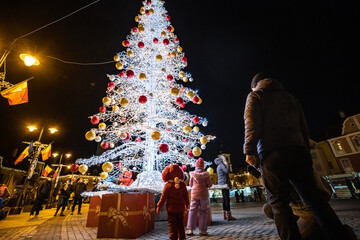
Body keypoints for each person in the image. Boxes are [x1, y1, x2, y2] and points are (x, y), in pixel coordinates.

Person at [243, 73, 355, 240]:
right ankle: (340, 236)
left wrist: (249, 150)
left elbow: (252, 125)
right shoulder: (290, 97)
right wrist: (304, 150)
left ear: (256, 86)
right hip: (298, 150)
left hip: (272, 152)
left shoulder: (256, 95)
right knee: (314, 200)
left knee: (279, 204)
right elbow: (304, 128)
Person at [157, 164, 189, 240]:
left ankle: (173, 237)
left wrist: (159, 206)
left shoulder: (167, 186)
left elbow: (163, 198)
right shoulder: (182, 185)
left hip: (171, 208)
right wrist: (187, 204)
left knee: (172, 224)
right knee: (180, 223)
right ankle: (182, 237)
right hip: (180, 207)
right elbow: (185, 196)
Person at [186, 158, 213, 236]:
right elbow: (210, 184)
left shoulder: (193, 174)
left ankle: (190, 229)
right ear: (203, 166)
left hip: (194, 194)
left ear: (196, 166)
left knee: (192, 211)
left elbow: (191, 185)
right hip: (203, 195)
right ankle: (202, 230)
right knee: (203, 211)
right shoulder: (206, 174)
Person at [214, 155, 236, 221]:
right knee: (227, 199)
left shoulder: (218, 166)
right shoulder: (222, 165)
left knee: (224, 199)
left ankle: (225, 214)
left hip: (221, 183)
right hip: (225, 183)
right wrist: (227, 164)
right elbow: (227, 171)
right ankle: (228, 215)